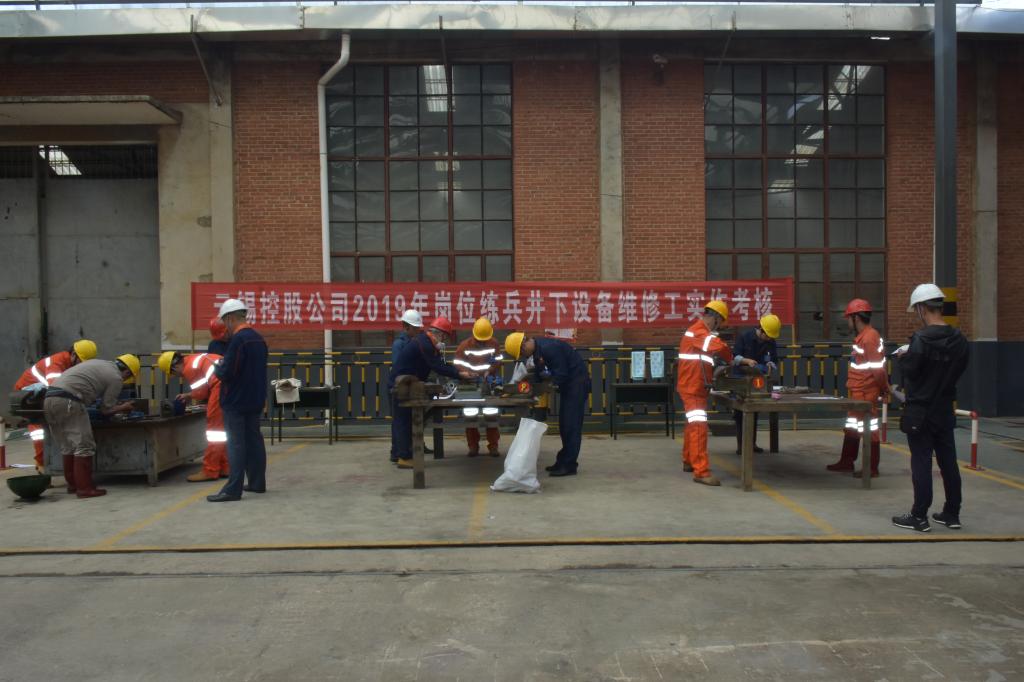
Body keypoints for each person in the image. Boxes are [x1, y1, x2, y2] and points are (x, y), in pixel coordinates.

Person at [891, 284, 969, 533]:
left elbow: (912, 372)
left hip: (921, 411)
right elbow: (959, 368)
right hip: (944, 409)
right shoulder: (959, 340)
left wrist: (903, 359)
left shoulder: (921, 339)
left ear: (922, 308)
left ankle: (919, 516)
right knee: (948, 462)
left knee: (922, 462)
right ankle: (952, 513)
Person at [42, 354, 140, 498]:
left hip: (49, 400)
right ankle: (84, 488)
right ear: (127, 372)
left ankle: (73, 485)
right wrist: (124, 407)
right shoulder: (116, 377)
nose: (125, 380)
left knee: (68, 446)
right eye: (127, 377)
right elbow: (106, 409)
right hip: (69, 401)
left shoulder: (99, 363)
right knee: (84, 446)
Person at [504, 331, 590, 477]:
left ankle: (569, 465)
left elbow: (561, 374)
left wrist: (544, 387)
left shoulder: (549, 348)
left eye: (522, 353)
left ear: (524, 345)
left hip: (577, 385)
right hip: (570, 386)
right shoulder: (538, 352)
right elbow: (539, 374)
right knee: (565, 425)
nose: (524, 356)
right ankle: (562, 461)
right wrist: (529, 387)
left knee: (571, 426)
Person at [389, 316, 470, 470]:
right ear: (439, 333)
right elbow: (437, 367)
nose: (444, 340)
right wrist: (460, 375)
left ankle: (398, 454)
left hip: (408, 383)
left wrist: (458, 371)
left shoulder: (428, 343)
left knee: (405, 420)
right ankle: (404, 458)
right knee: (404, 421)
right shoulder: (424, 343)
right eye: (445, 337)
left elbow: (441, 363)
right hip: (401, 385)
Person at [208, 298, 269, 502]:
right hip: (255, 399)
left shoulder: (238, 340)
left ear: (230, 318)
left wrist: (218, 368)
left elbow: (228, 372)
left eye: (225, 321)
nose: (225, 326)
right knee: (254, 441)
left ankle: (232, 490)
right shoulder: (258, 339)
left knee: (236, 444)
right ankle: (257, 483)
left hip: (236, 401)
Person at [13, 339, 98, 471]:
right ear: (73, 355)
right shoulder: (56, 363)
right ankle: (42, 464)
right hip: (29, 397)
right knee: (39, 432)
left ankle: (49, 463)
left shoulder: (69, 364)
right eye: (81, 362)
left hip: (43, 395)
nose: (82, 366)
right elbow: (57, 388)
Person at [827, 299, 890, 477]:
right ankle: (847, 461)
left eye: (849, 318)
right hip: (859, 392)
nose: (848, 321)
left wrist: (884, 388)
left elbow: (878, 369)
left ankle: (871, 468)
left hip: (866, 393)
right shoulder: (864, 337)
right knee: (853, 427)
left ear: (856, 318)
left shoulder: (869, 338)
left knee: (869, 429)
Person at [676, 300, 734, 486]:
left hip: (694, 386)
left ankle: (688, 460)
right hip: (693, 387)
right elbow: (719, 346)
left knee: (692, 425)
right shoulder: (699, 332)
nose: (720, 326)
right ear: (716, 318)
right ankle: (701, 471)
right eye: (721, 322)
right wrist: (733, 359)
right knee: (699, 428)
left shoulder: (698, 332)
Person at [158, 350, 227, 482]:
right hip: (228, 384)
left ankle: (210, 470)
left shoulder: (190, 368)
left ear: (174, 367)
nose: (178, 376)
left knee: (215, 432)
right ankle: (224, 467)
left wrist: (188, 396)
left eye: (173, 373)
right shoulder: (194, 359)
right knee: (221, 431)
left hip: (220, 387)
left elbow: (201, 393)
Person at [730, 314, 780, 455]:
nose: (769, 339)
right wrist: (747, 361)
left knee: (754, 410)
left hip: (758, 379)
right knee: (740, 412)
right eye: (767, 336)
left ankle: (752, 444)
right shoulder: (744, 337)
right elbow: (734, 357)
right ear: (761, 330)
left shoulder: (770, 341)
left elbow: (774, 359)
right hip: (741, 377)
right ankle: (742, 446)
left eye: (771, 337)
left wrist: (770, 364)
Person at [455, 317, 504, 457]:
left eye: (485, 340)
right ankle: (473, 446)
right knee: (470, 415)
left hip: (488, 384)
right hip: (470, 385)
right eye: (480, 340)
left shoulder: (493, 343)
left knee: (491, 414)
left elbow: (497, 360)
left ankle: (493, 446)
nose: (482, 342)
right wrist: (467, 373)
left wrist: (491, 370)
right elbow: (457, 363)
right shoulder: (465, 346)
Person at [389, 309, 430, 461]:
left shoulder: (415, 342)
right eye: (415, 328)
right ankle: (399, 453)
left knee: (411, 420)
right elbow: (400, 368)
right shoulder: (399, 345)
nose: (418, 330)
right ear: (406, 327)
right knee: (400, 421)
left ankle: (411, 447)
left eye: (419, 328)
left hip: (409, 386)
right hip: (399, 387)